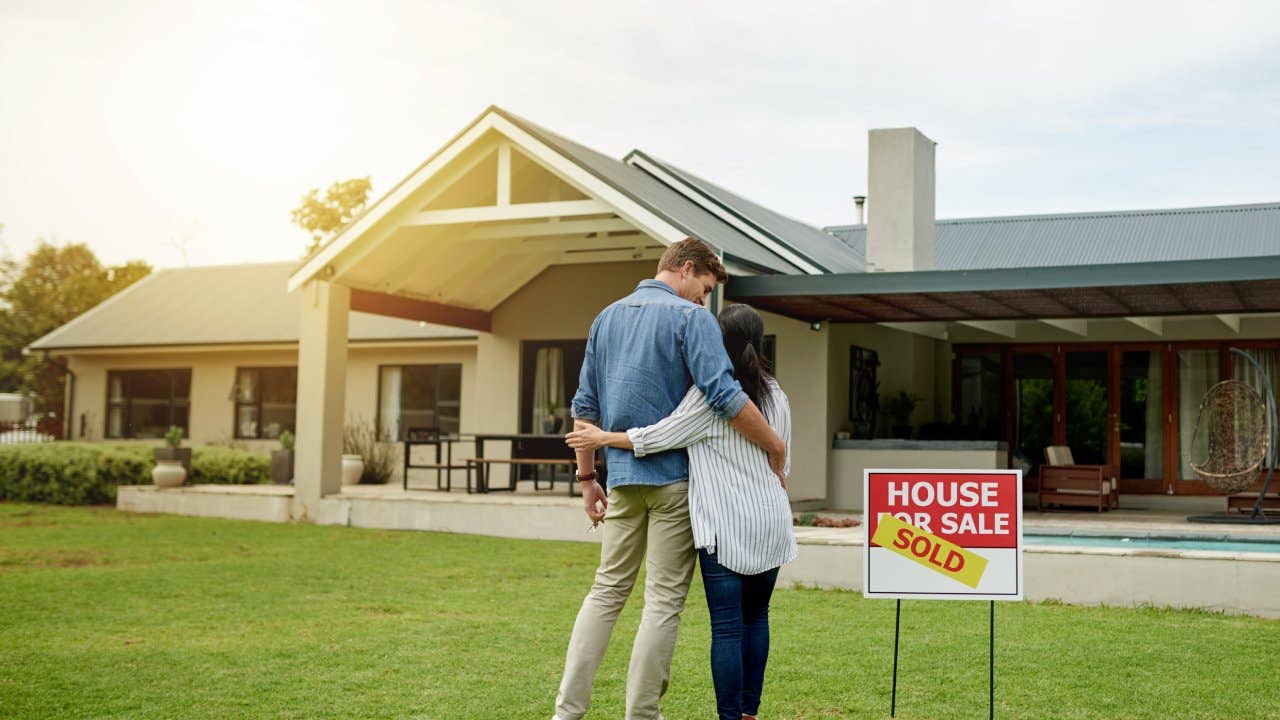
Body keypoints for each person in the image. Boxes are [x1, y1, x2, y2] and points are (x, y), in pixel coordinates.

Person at [552, 238, 787, 720]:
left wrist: (587, 479)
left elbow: (584, 408)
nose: (703, 301)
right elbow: (723, 396)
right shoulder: (690, 319)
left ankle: (566, 713)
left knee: (606, 591)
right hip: (674, 483)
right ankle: (642, 714)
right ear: (685, 269)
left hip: (619, 480)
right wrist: (775, 446)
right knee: (661, 602)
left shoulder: (606, 317)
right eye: (702, 289)